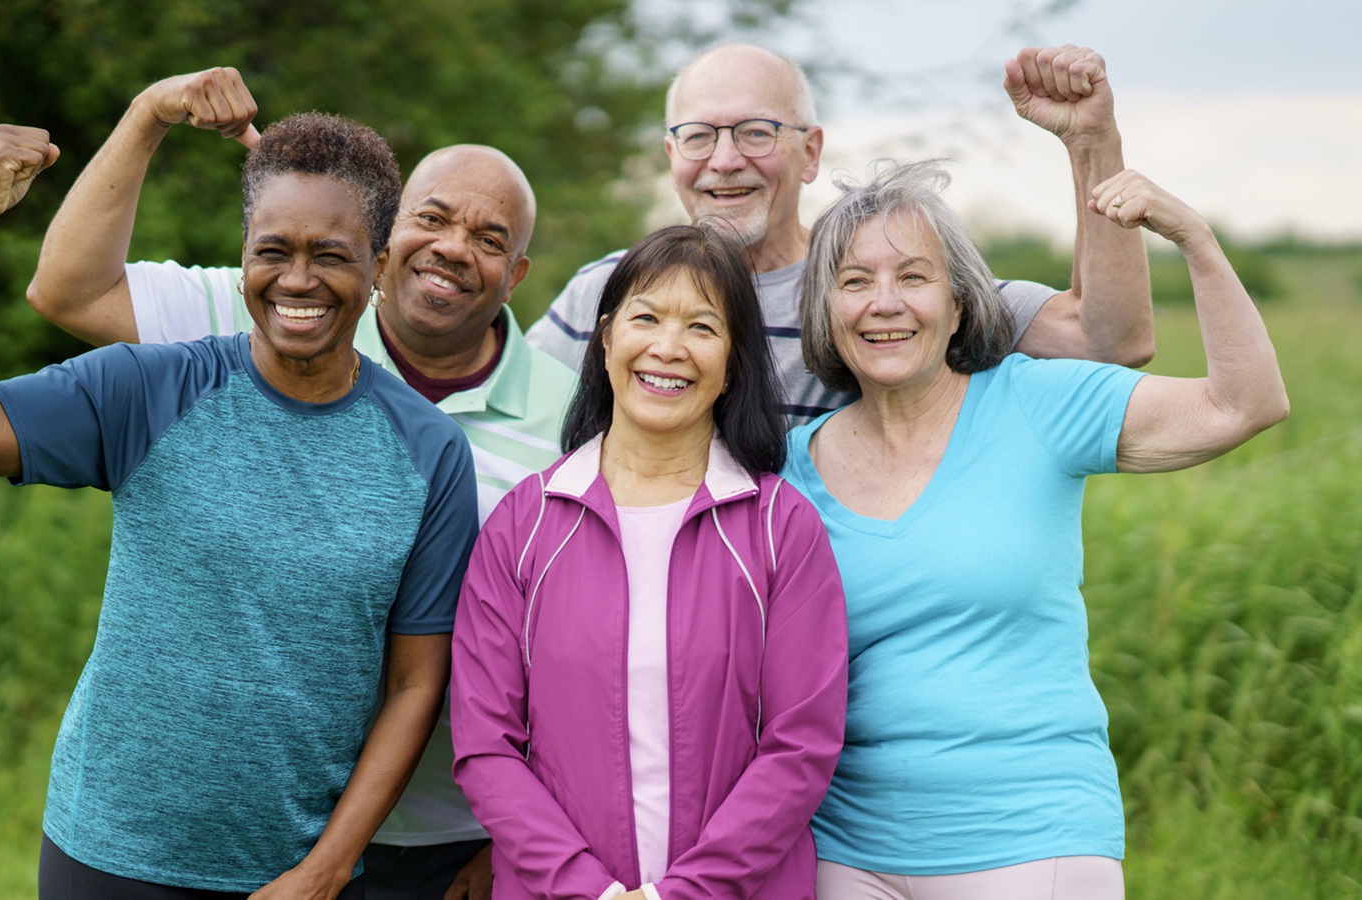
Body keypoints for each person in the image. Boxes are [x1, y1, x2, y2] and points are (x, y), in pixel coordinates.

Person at [26, 68, 577, 900]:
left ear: (519, 273)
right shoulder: (279, 307)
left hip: (450, 836)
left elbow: (591, 640)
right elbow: (66, 289)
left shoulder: (574, 420)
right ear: (387, 244)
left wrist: (530, 829)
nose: (455, 248)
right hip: (271, 828)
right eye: (433, 218)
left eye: (490, 238)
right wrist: (148, 115)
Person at [0, 114, 480, 899]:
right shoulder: (150, 389)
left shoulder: (428, 451)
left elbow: (417, 683)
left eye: (331, 256)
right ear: (244, 253)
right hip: (105, 853)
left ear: (379, 265)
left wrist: (326, 868)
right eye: (273, 251)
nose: (298, 280)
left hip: (285, 872)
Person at [779, 160, 1287, 898]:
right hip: (845, 850)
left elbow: (1242, 405)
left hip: (1028, 836)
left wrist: (1193, 240)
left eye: (912, 278)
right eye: (854, 281)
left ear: (958, 304)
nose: (883, 304)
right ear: (825, 310)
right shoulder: (789, 470)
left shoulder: (1036, 404)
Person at [452, 222, 850, 899]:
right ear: (606, 337)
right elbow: (485, 746)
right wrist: (591, 891)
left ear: (733, 364)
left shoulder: (780, 526)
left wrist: (684, 893)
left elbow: (800, 745)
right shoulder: (524, 523)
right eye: (645, 317)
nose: (667, 348)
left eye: (701, 327)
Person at [526, 44, 1155, 422]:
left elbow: (1108, 340)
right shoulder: (607, 293)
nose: (723, 160)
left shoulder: (880, 287)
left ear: (810, 152)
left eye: (755, 132)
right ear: (670, 155)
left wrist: (1092, 142)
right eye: (698, 135)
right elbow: (508, 423)